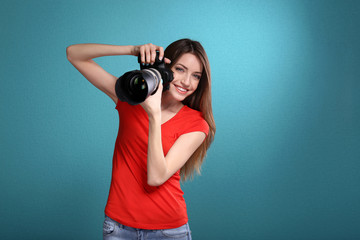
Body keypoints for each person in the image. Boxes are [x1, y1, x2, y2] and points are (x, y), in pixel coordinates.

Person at [66, 39, 215, 240]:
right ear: (165, 68)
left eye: (196, 76)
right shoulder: (130, 99)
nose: (187, 82)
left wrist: (153, 116)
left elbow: (156, 177)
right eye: (180, 69)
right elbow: (74, 54)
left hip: (169, 230)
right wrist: (132, 50)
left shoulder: (197, 124)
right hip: (118, 228)